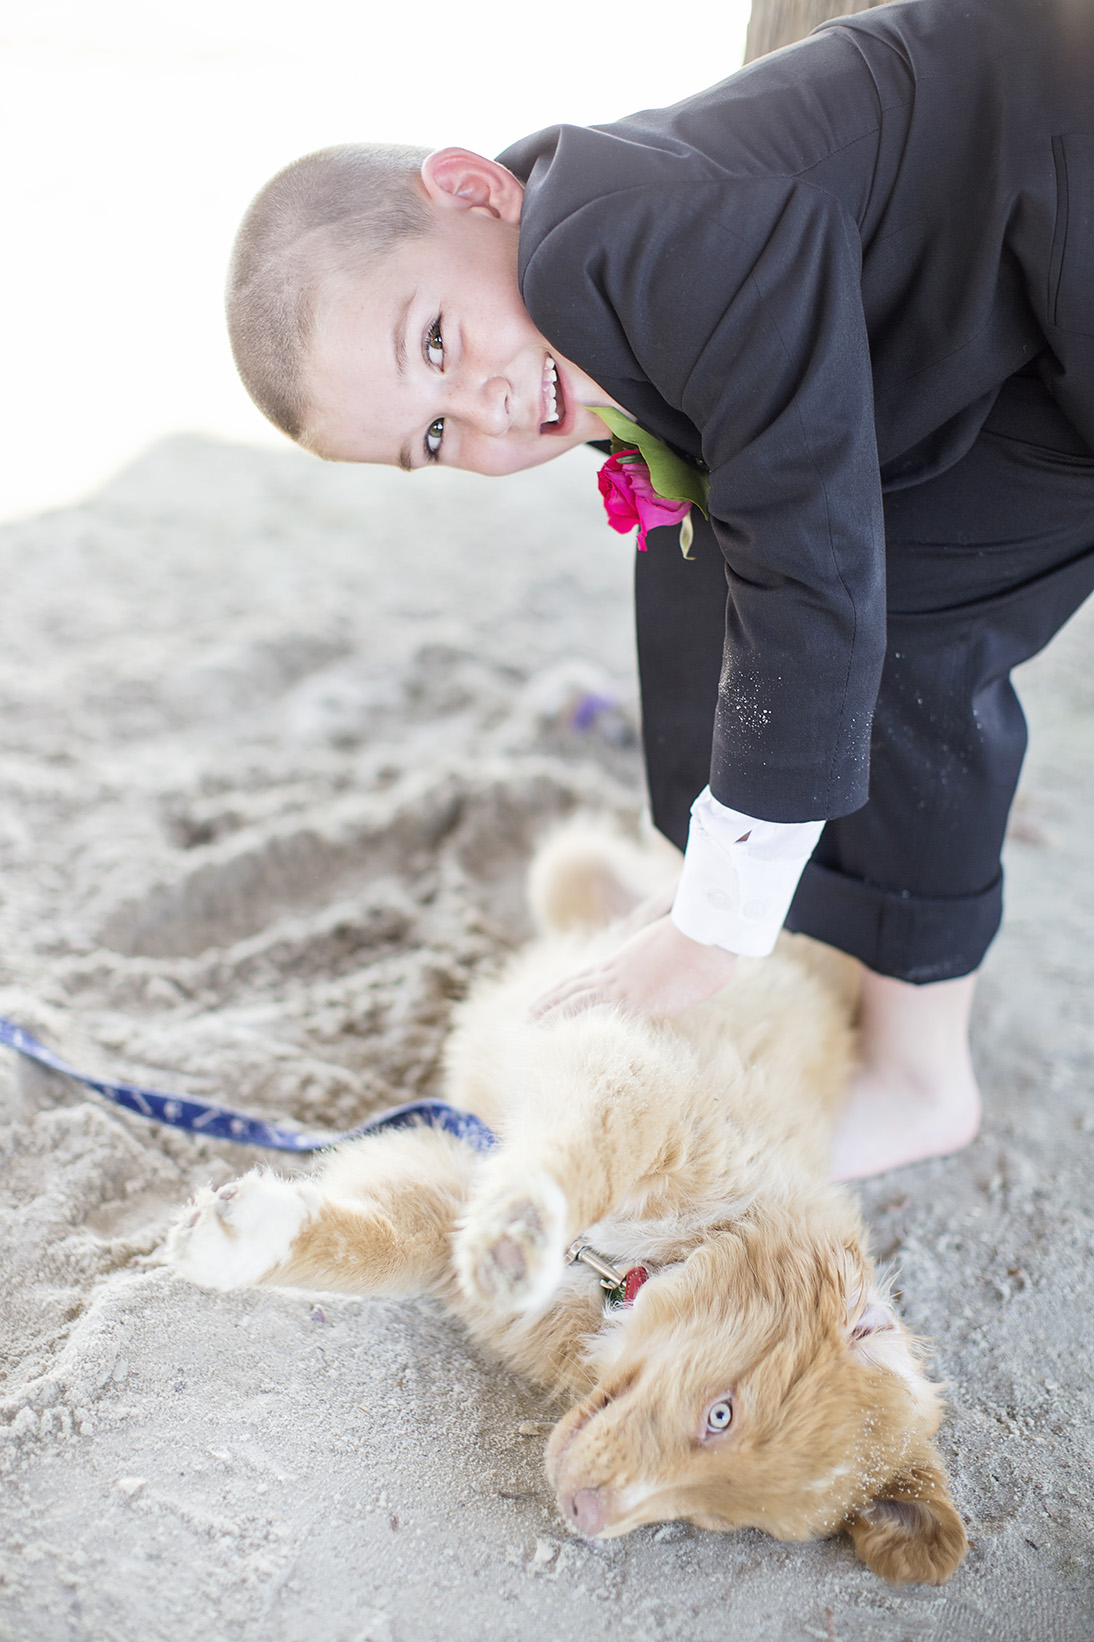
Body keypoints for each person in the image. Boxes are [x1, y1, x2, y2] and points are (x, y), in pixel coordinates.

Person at [223, 0, 1094, 1179]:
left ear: (476, 191)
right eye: (431, 439)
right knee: (710, 578)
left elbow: (811, 555)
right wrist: (717, 871)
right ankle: (764, 887)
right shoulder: (554, 309)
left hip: (1059, 186)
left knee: (898, 626)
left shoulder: (613, 236)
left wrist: (709, 937)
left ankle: (917, 1069)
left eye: (435, 342)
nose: (477, 408)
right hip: (990, 289)